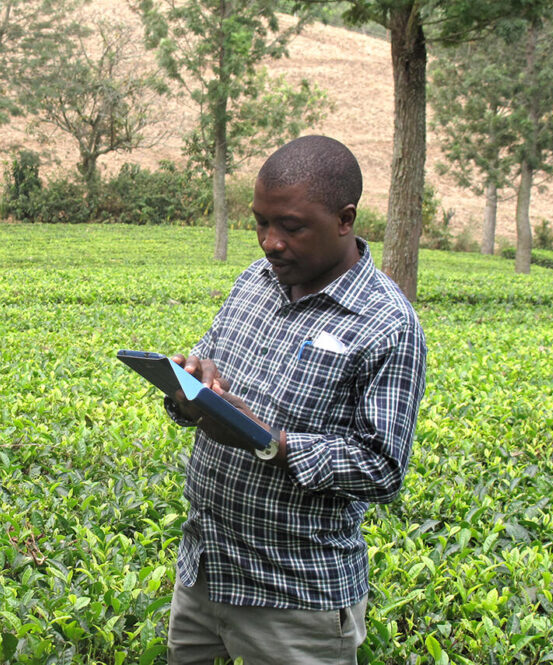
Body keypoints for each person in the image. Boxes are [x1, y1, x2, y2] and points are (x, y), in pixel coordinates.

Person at [164, 135, 427, 664]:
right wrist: (192, 388)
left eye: (291, 226)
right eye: (261, 222)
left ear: (345, 219)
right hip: (204, 570)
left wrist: (270, 442)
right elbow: (205, 364)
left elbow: (381, 467)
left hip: (296, 600)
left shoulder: (387, 324)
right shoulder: (254, 282)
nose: (269, 242)